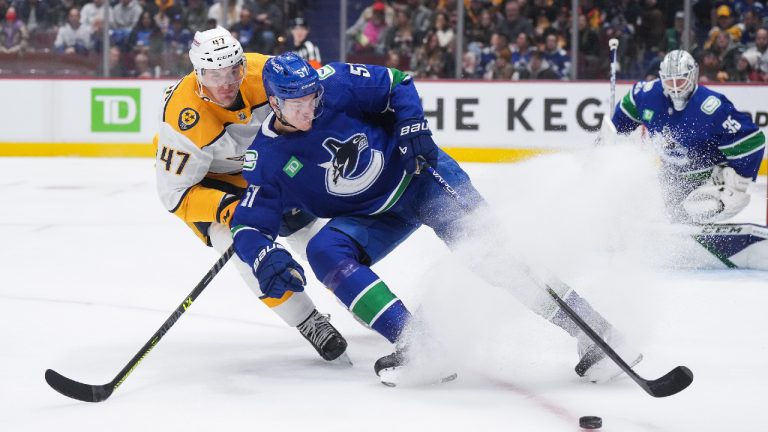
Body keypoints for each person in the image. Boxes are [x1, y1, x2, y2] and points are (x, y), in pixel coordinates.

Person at [230, 52, 641, 385]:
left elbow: (397, 84)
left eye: (313, 98)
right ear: (275, 103)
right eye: (298, 103)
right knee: (323, 250)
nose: (310, 108)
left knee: (493, 255)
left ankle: (597, 333)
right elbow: (249, 223)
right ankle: (419, 345)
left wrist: (412, 126)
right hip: (372, 216)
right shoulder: (266, 158)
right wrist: (264, 256)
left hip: (422, 178)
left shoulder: (336, 82)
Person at [153, 27, 348, 363]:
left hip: (265, 170)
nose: (226, 83)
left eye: (233, 71)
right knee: (244, 249)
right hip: (212, 186)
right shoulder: (183, 117)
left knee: (315, 239)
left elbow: (313, 110)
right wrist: (230, 208)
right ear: (198, 73)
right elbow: (176, 196)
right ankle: (308, 320)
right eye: (214, 75)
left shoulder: (267, 73)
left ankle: (358, 294)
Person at [611, 49, 765, 223]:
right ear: (661, 77)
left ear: (693, 75)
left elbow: (753, 141)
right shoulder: (646, 95)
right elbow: (621, 120)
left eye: (681, 80)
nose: (675, 86)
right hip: (671, 177)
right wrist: (609, 143)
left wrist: (738, 183)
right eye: (670, 80)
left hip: (710, 178)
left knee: (698, 208)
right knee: (648, 206)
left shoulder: (712, 107)